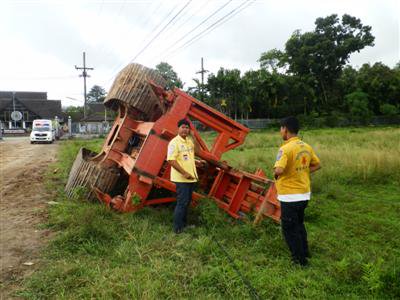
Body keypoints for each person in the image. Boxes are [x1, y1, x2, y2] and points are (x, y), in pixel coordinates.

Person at [273, 116, 321, 266]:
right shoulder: (306, 146)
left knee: (289, 229)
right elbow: (317, 165)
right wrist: (302, 172)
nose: (280, 131)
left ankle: (299, 261)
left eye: (281, 129)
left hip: (289, 196)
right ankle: (305, 251)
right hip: (304, 194)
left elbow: (279, 169)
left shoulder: (285, 148)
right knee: (299, 224)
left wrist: (276, 173)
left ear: (285, 129)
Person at [167, 119, 204, 234]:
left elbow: (197, 151)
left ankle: (183, 225)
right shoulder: (174, 142)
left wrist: (194, 137)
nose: (185, 129)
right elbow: (171, 160)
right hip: (181, 179)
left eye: (187, 128)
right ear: (178, 129)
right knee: (182, 203)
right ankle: (177, 229)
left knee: (186, 202)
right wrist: (184, 172)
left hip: (191, 178)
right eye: (182, 127)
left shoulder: (188, 140)